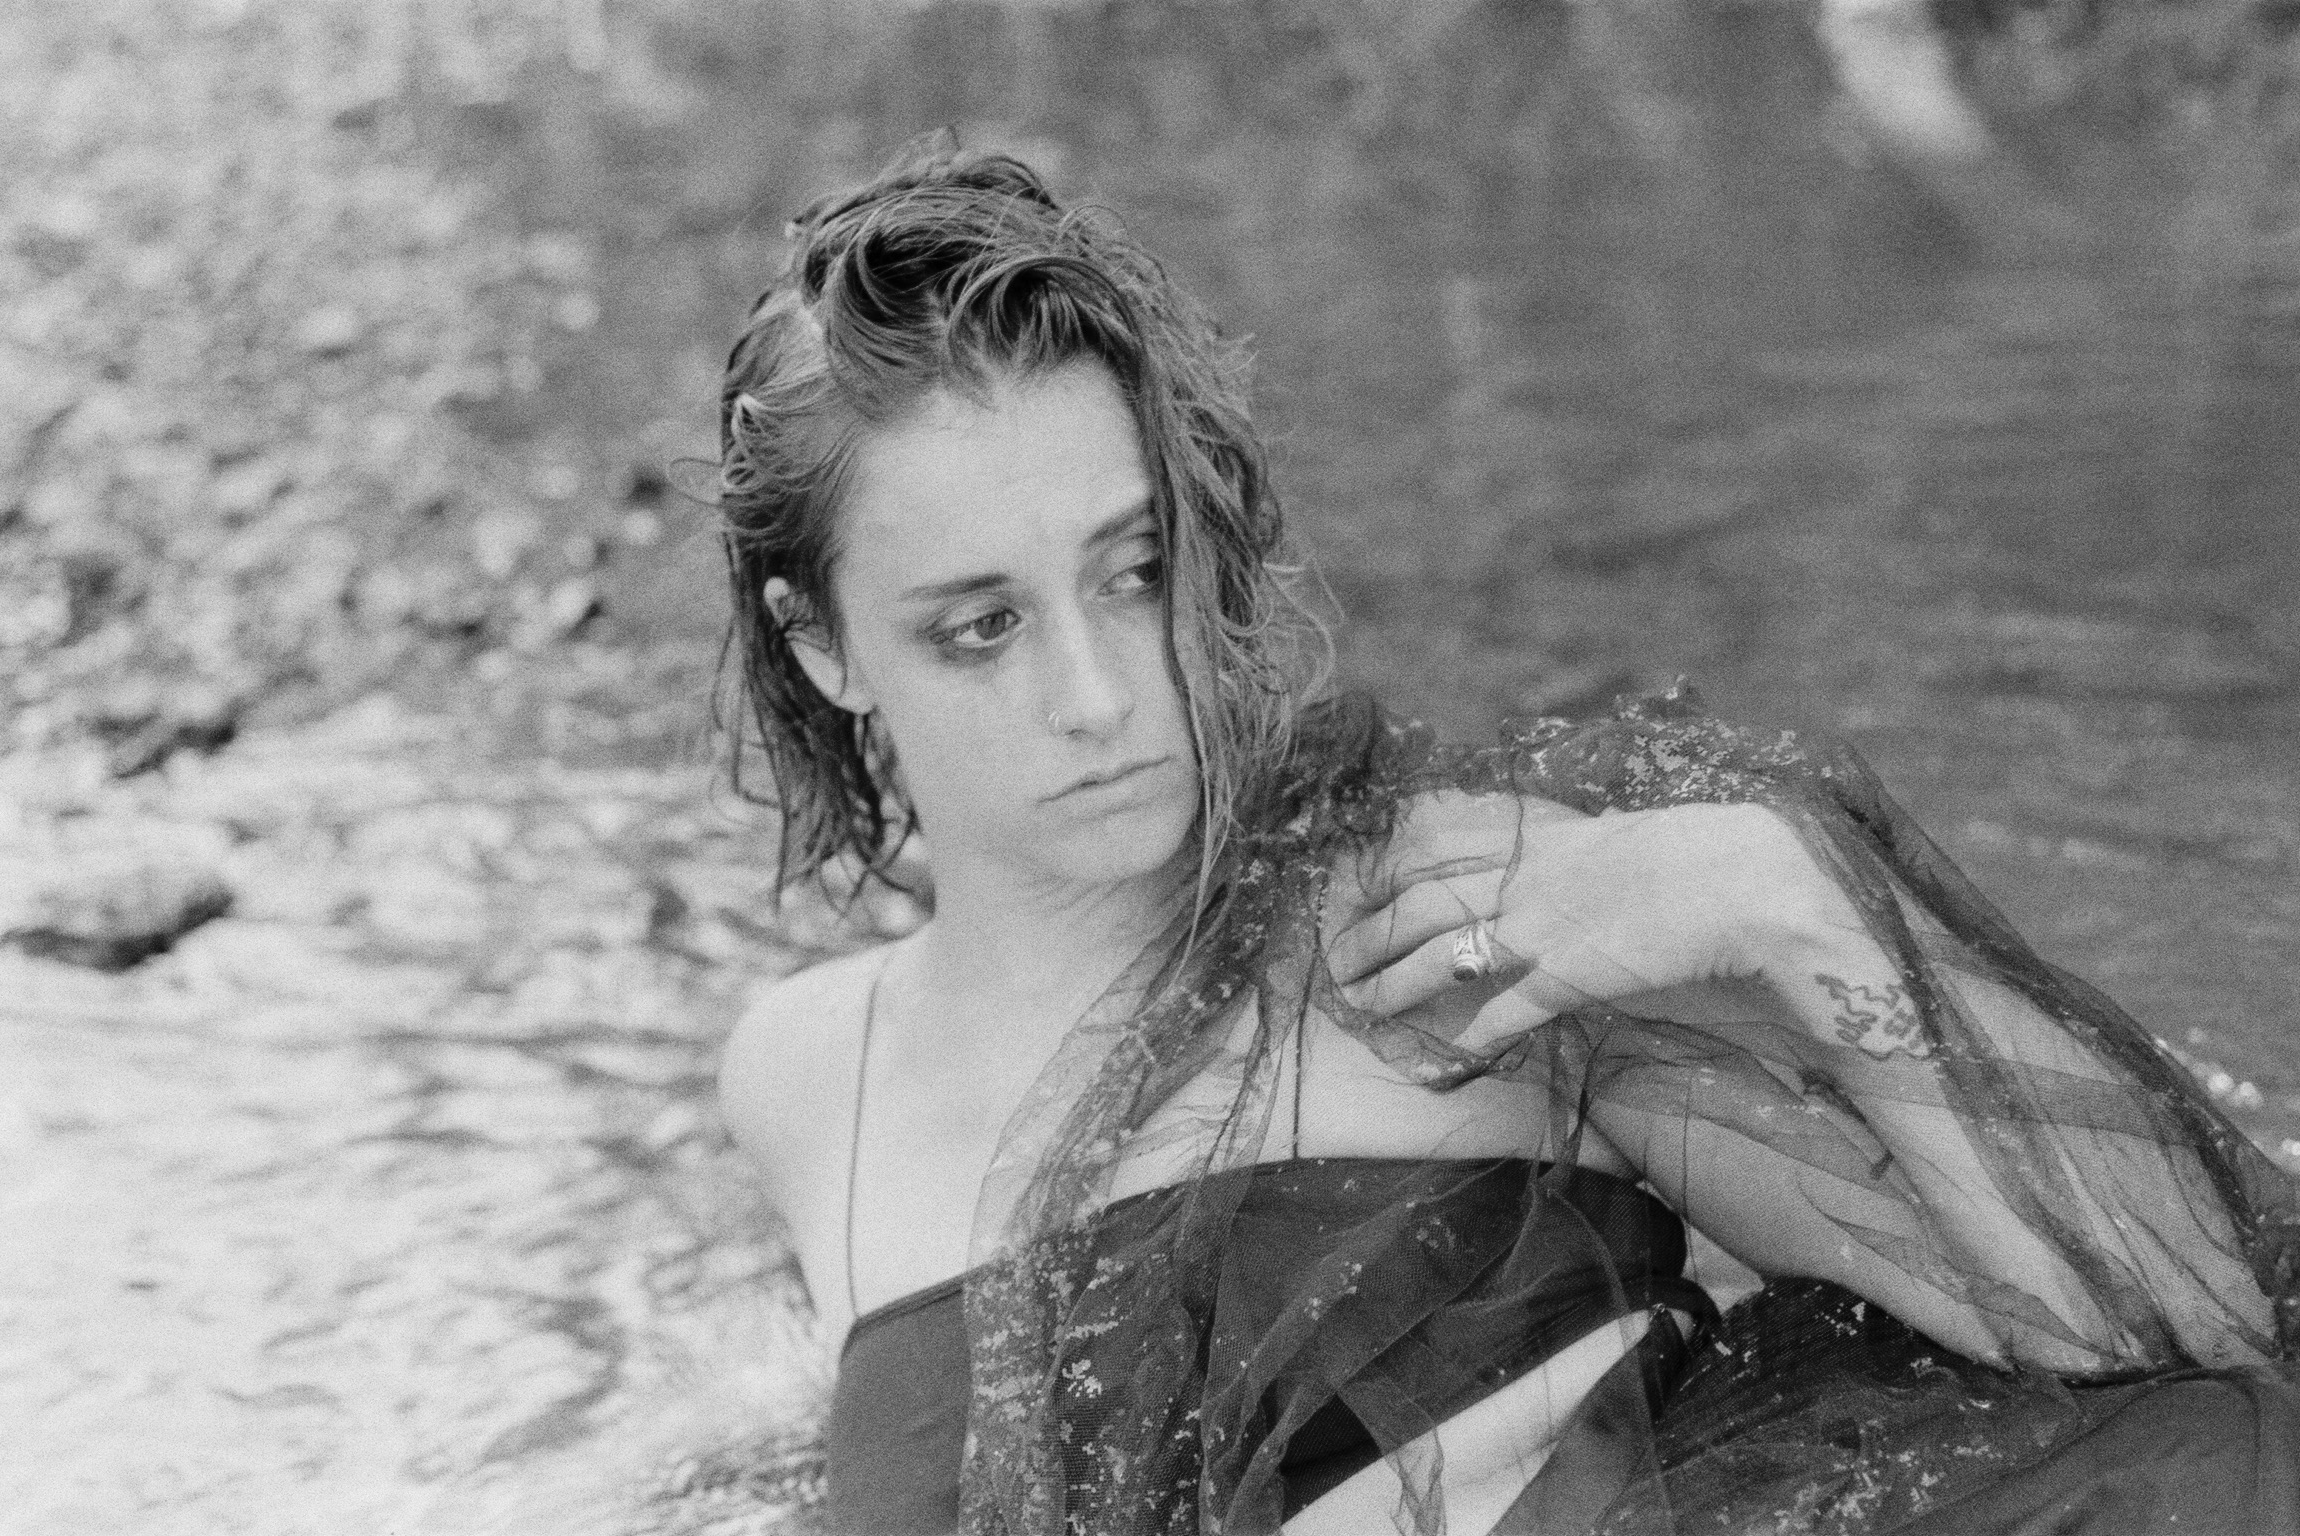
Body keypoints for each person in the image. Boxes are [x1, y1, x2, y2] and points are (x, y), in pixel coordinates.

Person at [713, 142, 2300, 1536]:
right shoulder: (798, 1077)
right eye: (980, 627)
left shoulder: (1447, 917)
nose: (1098, 695)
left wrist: (1783, 899)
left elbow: (2163, 1331)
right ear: (821, 644)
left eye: (1136, 572)